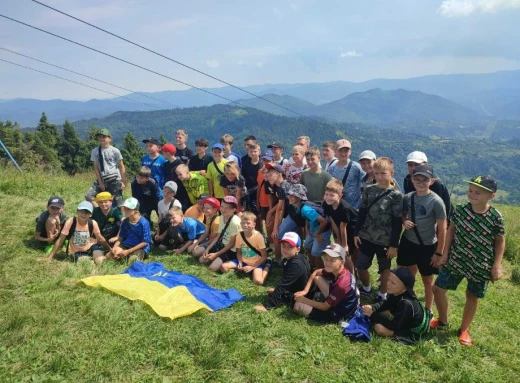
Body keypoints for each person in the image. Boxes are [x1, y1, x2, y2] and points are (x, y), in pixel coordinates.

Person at [431, 175, 505, 347]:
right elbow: (450, 231)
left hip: (481, 264)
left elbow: (500, 241)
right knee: (438, 289)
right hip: (456, 259)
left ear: (491, 196)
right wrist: (445, 253)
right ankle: (443, 320)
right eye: (470, 191)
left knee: (472, 296)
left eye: (478, 192)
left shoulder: (496, 217)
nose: (472, 194)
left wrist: (497, 265)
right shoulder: (461, 209)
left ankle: (464, 329)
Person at [397, 165, 447, 312]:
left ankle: (428, 309)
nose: (420, 183)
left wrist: (439, 253)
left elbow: (442, 229)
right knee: (405, 273)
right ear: (412, 180)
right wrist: (403, 222)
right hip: (408, 241)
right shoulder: (408, 197)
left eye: (424, 180)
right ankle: (407, 299)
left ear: (431, 181)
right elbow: (402, 215)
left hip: (427, 245)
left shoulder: (436, 201)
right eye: (417, 179)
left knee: (427, 279)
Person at [354, 157, 403, 303]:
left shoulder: (396, 195)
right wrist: (356, 233)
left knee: (384, 269)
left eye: (383, 173)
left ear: (391, 173)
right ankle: (367, 287)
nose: (380, 177)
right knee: (360, 266)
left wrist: (394, 245)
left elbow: (397, 221)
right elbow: (362, 212)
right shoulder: (369, 190)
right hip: (366, 236)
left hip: (385, 240)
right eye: (377, 173)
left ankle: (382, 294)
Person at [362, 267, 431, 345]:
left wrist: (373, 315)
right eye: (388, 280)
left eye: (393, 283)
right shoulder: (396, 292)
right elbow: (385, 303)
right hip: (403, 320)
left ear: (404, 289)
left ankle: (393, 335)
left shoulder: (406, 303)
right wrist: (372, 307)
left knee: (378, 328)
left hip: (413, 332)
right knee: (382, 313)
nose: (388, 283)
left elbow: (394, 326)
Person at [293, 244, 359, 323]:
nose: (327, 263)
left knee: (297, 306)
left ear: (342, 262)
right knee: (317, 278)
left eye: (332, 260)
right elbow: (316, 272)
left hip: (341, 314)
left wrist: (304, 300)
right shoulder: (337, 269)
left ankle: (320, 304)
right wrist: (305, 291)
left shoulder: (342, 284)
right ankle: (323, 299)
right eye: (326, 259)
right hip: (345, 302)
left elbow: (325, 307)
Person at [253, 232, 310, 312]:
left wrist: (267, 306)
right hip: (295, 288)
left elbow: (284, 285)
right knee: (272, 291)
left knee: (278, 292)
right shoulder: (292, 258)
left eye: (290, 247)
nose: (285, 249)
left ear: (298, 249)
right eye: (283, 245)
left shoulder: (296, 265)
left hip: (300, 294)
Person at [44, 201, 110, 264]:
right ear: (77, 212)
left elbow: (100, 238)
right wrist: (50, 257)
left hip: (92, 246)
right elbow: (60, 240)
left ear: (90, 214)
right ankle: (95, 259)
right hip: (77, 251)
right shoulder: (70, 222)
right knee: (87, 263)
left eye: (87, 212)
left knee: (99, 261)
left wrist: (110, 250)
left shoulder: (92, 223)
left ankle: (109, 256)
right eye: (81, 211)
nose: (84, 214)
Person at [286, 184, 331, 269]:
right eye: (289, 194)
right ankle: (312, 266)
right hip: (313, 229)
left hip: (323, 230)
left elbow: (324, 221)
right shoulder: (296, 205)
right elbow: (307, 218)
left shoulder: (305, 209)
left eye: (293, 195)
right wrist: (307, 228)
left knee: (316, 253)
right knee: (307, 246)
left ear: (299, 197)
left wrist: (317, 234)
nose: (289, 197)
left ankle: (321, 272)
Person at [221, 211, 271, 285]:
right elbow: (238, 252)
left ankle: (267, 266)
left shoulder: (258, 236)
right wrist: (240, 262)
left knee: (258, 281)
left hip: (255, 262)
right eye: (243, 223)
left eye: (248, 223)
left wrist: (253, 267)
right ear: (240, 224)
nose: (245, 225)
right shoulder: (239, 235)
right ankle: (245, 270)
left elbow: (264, 256)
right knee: (223, 267)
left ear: (254, 224)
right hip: (244, 261)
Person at [403, 151, 452, 219]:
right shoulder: (407, 180)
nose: (413, 168)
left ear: (425, 165)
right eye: (410, 165)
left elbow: (442, 209)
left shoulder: (435, 183)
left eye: (417, 165)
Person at [322, 179, 358, 273]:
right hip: (341, 227)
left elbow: (343, 227)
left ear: (340, 196)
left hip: (353, 229)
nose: (328, 197)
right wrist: (337, 237)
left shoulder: (344, 208)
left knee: (346, 253)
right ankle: (346, 271)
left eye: (332, 195)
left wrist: (344, 244)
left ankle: (352, 275)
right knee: (341, 250)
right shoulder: (327, 204)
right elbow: (332, 220)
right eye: (326, 194)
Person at [199, 196, 241, 272]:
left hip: (231, 250)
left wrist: (216, 254)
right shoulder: (221, 217)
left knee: (212, 268)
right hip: (222, 244)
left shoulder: (235, 222)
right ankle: (219, 260)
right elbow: (218, 236)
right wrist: (208, 249)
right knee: (202, 260)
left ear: (234, 210)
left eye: (227, 208)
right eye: (222, 206)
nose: (223, 209)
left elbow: (231, 244)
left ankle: (233, 264)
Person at [85, 129, 126, 207]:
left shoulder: (115, 150)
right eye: (99, 137)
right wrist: (100, 182)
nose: (101, 139)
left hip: (115, 179)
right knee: (89, 195)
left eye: (104, 137)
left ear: (110, 138)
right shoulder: (95, 151)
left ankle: (120, 218)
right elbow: (96, 168)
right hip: (102, 179)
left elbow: (121, 166)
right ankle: (100, 211)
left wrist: (123, 181)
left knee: (119, 203)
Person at [327, 139, 365, 209]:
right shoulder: (331, 168)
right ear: (335, 151)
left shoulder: (356, 167)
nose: (343, 154)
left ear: (350, 152)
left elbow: (366, 181)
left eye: (346, 151)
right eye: (340, 151)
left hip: (353, 208)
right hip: (337, 207)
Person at [111, 197, 151, 262]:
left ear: (136, 210)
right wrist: (115, 247)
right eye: (124, 208)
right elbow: (120, 238)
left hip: (140, 247)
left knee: (133, 261)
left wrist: (128, 251)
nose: (125, 211)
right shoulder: (125, 222)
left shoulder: (144, 223)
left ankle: (130, 255)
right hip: (127, 244)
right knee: (113, 255)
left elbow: (145, 242)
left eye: (128, 209)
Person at [266, 163, 292, 262]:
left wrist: (276, 228)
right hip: (291, 214)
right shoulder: (279, 186)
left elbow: (280, 209)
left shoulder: (282, 188)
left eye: (271, 175)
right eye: (267, 175)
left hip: (294, 215)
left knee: (277, 235)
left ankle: (277, 260)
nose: (268, 177)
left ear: (280, 175)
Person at [160, 143, 190, 211]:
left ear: (168, 153)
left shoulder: (180, 163)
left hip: (181, 192)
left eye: (163, 152)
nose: (162, 154)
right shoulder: (166, 165)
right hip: (170, 192)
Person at [154, 181, 182, 248]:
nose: (165, 194)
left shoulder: (176, 204)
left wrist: (162, 236)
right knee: (154, 240)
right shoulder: (160, 203)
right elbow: (160, 219)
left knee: (161, 247)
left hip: (173, 226)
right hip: (164, 225)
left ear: (174, 193)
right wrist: (158, 234)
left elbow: (175, 223)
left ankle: (177, 242)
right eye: (164, 191)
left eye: (169, 192)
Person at [240, 141, 261, 213]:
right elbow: (243, 177)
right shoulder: (245, 164)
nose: (253, 153)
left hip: (261, 191)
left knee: (259, 214)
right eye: (251, 151)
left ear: (259, 152)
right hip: (249, 191)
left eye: (255, 151)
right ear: (248, 153)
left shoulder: (262, 164)